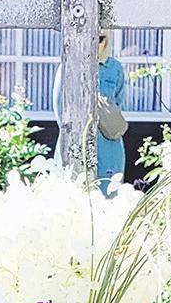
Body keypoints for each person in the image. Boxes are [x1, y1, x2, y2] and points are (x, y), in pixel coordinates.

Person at [54, 32, 128, 191]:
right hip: (76, 143)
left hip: (108, 146)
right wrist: (75, 135)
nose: (95, 43)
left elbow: (117, 103)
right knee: (73, 194)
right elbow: (59, 105)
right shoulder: (68, 66)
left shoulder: (114, 68)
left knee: (108, 195)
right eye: (90, 38)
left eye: (100, 38)